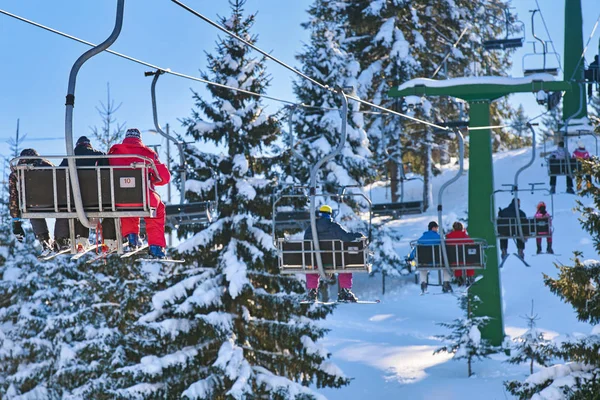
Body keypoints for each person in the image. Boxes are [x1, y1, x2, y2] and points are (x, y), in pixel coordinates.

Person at [108, 128, 170, 258]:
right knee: (157, 211)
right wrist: (153, 179)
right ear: (139, 139)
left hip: (119, 198)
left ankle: (132, 237)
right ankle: (156, 247)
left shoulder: (114, 153)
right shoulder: (147, 154)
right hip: (144, 197)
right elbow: (165, 177)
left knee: (126, 203)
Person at [54, 136, 118, 252]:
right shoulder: (99, 155)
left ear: (77, 145)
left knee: (78, 211)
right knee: (108, 210)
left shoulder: (69, 158)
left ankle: (80, 240)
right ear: (89, 145)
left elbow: (59, 175)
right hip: (96, 198)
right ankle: (109, 241)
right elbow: (107, 174)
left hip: (74, 198)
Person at [304, 205, 365, 302]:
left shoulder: (311, 228)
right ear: (330, 215)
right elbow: (346, 238)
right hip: (334, 261)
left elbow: (306, 241)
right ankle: (344, 291)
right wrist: (357, 235)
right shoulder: (334, 227)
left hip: (315, 261)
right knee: (345, 266)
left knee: (312, 265)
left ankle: (312, 292)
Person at [8, 149, 54, 254]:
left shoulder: (16, 172)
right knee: (65, 212)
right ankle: (63, 238)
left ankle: (44, 241)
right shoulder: (49, 167)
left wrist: (16, 221)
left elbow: (14, 197)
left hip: (33, 204)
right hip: (54, 201)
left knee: (33, 208)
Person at [407, 221, 452, 294]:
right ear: (433, 228)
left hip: (425, 261)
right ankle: (446, 282)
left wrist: (410, 257)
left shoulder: (421, 239)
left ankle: (423, 283)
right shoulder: (439, 238)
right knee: (446, 267)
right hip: (438, 261)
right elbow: (445, 248)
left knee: (422, 268)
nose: (437, 229)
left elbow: (416, 249)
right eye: (436, 228)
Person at [446, 221, 475, 286]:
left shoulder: (449, 237)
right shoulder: (465, 236)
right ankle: (470, 276)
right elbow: (472, 243)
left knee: (457, 260)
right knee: (468, 260)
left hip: (453, 260)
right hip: (465, 260)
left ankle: (458, 276)